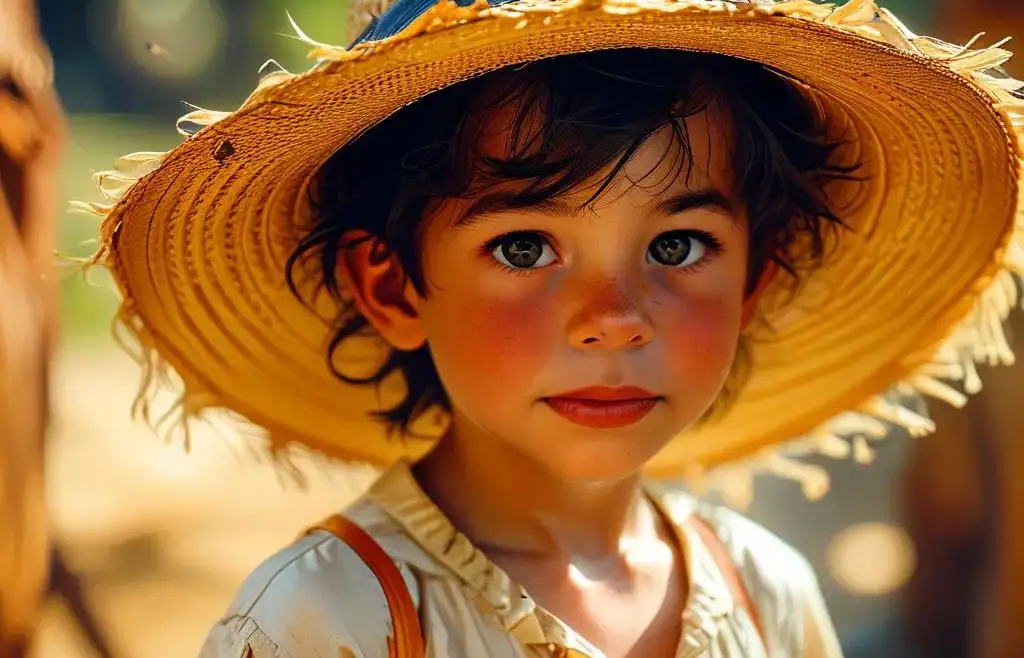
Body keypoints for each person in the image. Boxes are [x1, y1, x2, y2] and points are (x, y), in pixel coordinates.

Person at [78, 0, 1023, 656]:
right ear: (394, 285)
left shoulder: (766, 599)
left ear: (755, 280)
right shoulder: (328, 624)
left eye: (680, 244)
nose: (613, 321)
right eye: (526, 249)